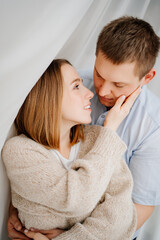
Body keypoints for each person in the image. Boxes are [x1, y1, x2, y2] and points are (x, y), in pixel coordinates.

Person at [7, 16, 160, 240]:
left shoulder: (153, 127)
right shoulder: (70, 82)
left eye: (118, 85)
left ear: (147, 77)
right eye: (99, 74)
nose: (101, 91)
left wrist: (69, 237)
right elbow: (37, 174)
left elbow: (134, 208)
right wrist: (18, 209)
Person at [2, 59, 140, 240]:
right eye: (76, 86)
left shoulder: (98, 139)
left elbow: (121, 215)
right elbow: (77, 199)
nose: (90, 94)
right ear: (49, 96)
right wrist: (110, 129)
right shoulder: (19, 151)